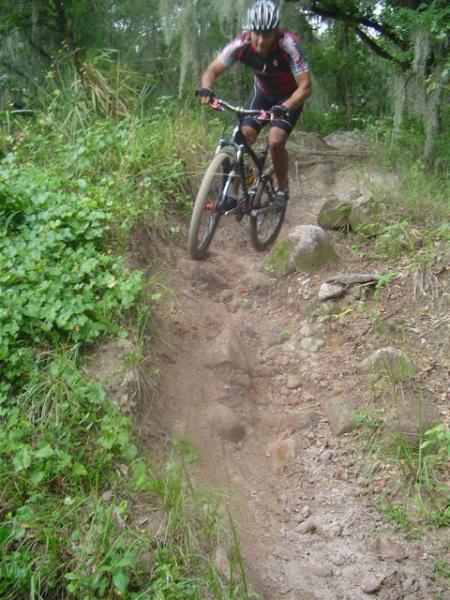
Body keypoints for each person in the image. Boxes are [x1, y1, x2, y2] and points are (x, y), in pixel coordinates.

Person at [198, 0, 312, 213]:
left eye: (267, 35)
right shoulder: (240, 45)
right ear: (249, 30)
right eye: (256, 34)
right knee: (242, 136)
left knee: (276, 140)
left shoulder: (289, 45)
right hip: (263, 94)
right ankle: (232, 193)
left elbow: (305, 87)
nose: (260, 41)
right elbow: (211, 71)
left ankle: (282, 189)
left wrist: (284, 107)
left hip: (290, 97)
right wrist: (206, 88)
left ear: (276, 33)